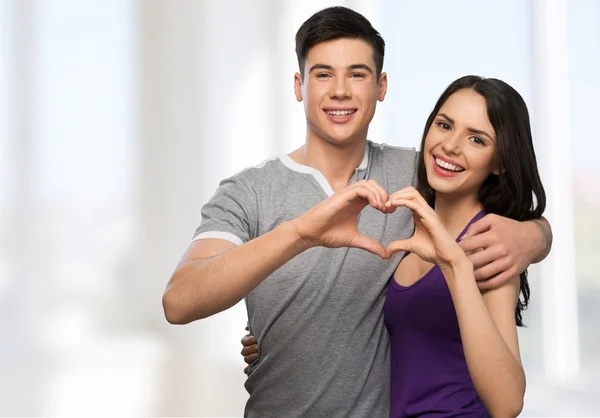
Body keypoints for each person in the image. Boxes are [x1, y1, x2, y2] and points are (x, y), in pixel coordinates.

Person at [163, 7, 552, 418]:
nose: (340, 91)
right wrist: (302, 235)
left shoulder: (422, 177)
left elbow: (485, 194)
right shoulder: (249, 192)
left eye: (358, 74)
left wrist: (533, 236)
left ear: (381, 86)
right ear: (300, 85)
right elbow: (179, 302)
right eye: (323, 74)